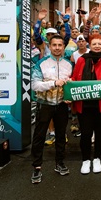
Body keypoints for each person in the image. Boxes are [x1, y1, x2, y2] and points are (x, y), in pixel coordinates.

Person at [71, 34, 101, 175]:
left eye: (99, 44)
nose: (97, 46)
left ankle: (97, 158)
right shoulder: (81, 60)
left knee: (100, 133)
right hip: (84, 104)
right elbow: (74, 78)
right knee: (85, 133)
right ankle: (85, 159)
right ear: (89, 45)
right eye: (94, 44)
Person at [30, 34, 73, 184]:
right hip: (45, 104)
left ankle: (59, 163)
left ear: (64, 47)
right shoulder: (41, 63)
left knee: (61, 135)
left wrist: (69, 95)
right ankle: (37, 167)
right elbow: (34, 85)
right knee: (39, 136)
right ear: (49, 46)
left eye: (60, 45)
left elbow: (72, 85)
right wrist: (53, 83)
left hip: (61, 105)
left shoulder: (69, 64)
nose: (57, 48)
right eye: (54, 45)